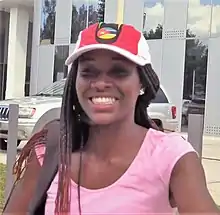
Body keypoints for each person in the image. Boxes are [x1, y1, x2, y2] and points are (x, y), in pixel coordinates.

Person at [3, 22, 219, 215]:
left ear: (142, 83)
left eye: (118, 71)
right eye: (88, 72)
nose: (100, 83)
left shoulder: (172, 157)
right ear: (74, 81)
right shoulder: (49, 153)